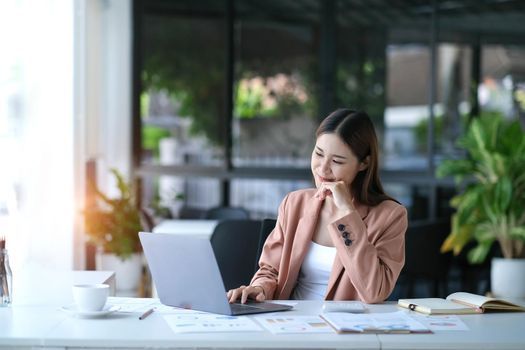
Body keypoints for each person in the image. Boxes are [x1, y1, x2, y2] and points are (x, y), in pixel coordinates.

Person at [227, 108, 408, 304]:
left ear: (364, 163)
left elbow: (375, 291)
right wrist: (259, 288)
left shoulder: (390, 216)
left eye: (337, 161)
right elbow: (270, 270)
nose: (323, 169)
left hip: (346, 328)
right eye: (319, 154)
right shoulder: (294, 203)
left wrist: (347, 213)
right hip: (291, 324)